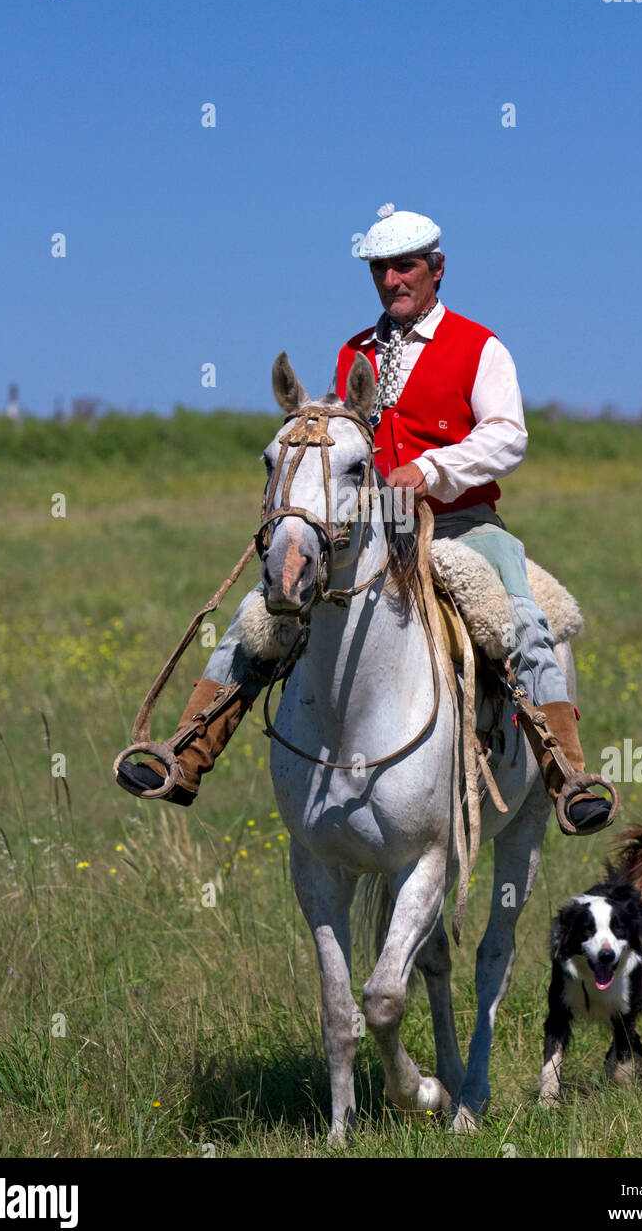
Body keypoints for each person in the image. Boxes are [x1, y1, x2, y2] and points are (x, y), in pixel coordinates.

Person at [116, 204, 612, 834]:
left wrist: (430, 471)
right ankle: (186, 752)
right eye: (380, 269)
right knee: (263, 610)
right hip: (370, 532)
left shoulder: (478, 347)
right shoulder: (355, 350)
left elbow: (508, 437)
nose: (391, 280)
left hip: (462, 525)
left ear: (436, 270)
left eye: (405, 267)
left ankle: (567, 775)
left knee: (523, 618)